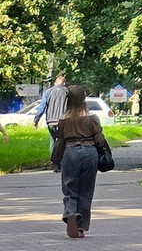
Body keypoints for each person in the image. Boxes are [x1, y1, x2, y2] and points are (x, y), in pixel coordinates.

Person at [51, 85, 110, 239]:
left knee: (70, 188)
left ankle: (71, 212)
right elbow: (99, 139)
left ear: (68, 100)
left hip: (70, 152)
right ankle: (81, 226)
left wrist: (56, 160)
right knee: (86, 191)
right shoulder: (91, 117)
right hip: (89, 152)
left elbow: (60, 141)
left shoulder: (63, 119)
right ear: (83, 99)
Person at [33, 75, 69, 165]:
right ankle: (62, 162)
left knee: (53, 141)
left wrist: (36, 120)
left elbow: (42, 107)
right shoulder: (67, 92)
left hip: (51, 121)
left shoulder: (48, 92)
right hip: (63, 121)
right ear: (64, 83)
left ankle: (54, 163)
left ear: (55, 83)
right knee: (63, 141)